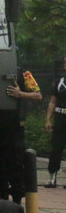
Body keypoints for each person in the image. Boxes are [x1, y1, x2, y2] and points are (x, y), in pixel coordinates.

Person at [0, 66, 41, 201]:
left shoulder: (25, 73)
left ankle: (17, 198)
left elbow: (38, 95)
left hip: (15, 127)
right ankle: (1, 193)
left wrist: (21, 94)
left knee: (16, 163)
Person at [44, 58, 66, 187]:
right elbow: (52, 101)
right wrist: (48, 119)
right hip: (60, 116)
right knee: (56, 148)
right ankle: (52, 177)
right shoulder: (59, 82)